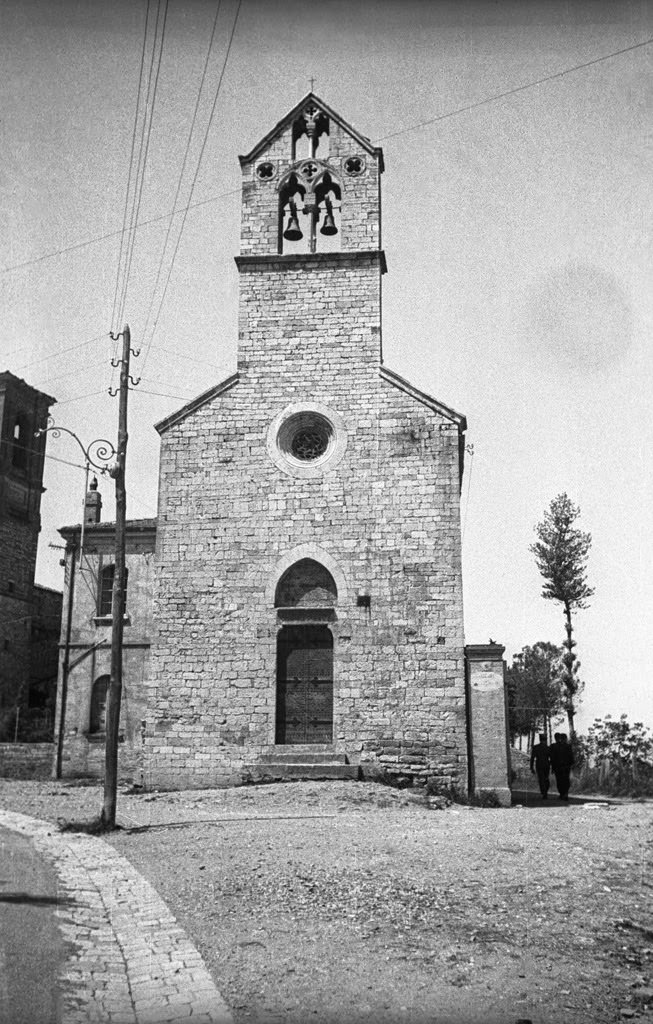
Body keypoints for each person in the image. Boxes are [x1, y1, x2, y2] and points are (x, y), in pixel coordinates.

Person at [548, 732, 575, 800]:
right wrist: (571, 764)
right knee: (565, 780)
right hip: (566, 766)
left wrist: (553, 767)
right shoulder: (568, 746)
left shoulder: (555, 746)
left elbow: (552, 757)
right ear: (565, 739)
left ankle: (562, 794)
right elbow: (571, 756)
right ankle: (565, 793)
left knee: (559, 780)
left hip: (558, 766)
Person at [530, 733, 551, 799]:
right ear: (545, 739)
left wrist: (531, 767)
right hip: (546, 765)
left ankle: (544, 792)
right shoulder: (548, 748)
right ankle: (545, 792)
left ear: (540, 739)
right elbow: (552, 758)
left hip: (539, 765)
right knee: (546, 778)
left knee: (541, 779)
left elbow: (532, 758)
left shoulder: (536, 747)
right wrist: (551, 766)